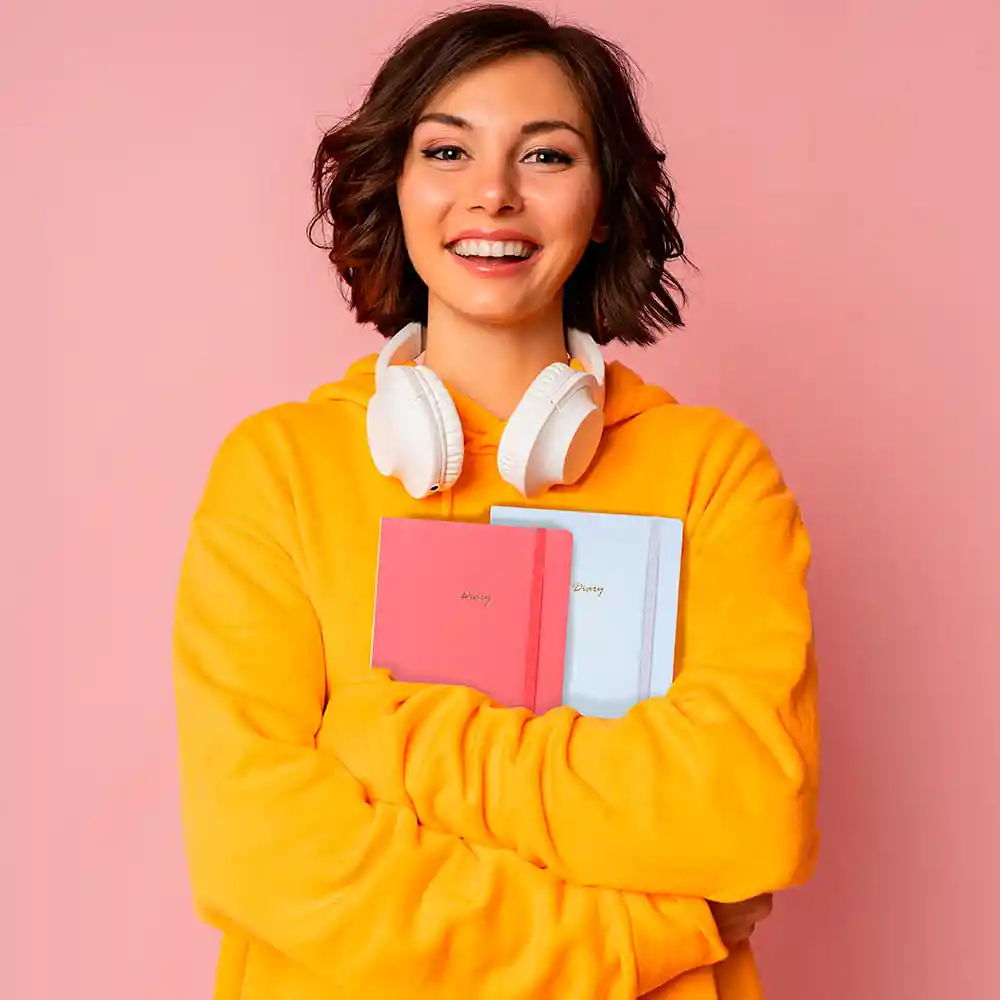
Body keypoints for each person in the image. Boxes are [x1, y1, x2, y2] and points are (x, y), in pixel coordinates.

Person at [172, 5, 819, 1000]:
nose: (492, 194)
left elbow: (744, 811)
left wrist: (387, 738)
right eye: (446, 149)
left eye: (547, 157)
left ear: (602, 202)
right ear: (394, 181)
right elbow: (258, 848)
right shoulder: (278, 471)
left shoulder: (713, 475)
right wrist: (647, 933)